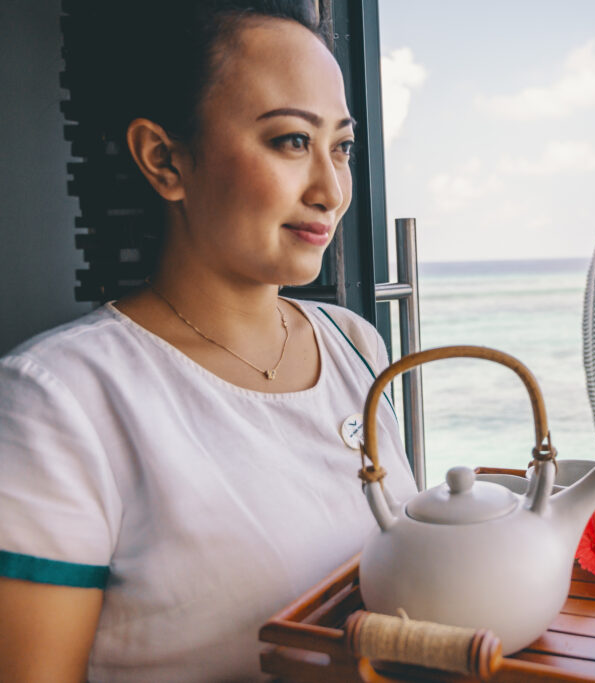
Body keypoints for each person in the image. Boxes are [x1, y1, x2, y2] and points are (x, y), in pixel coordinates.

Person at [0, 1, 417, 680]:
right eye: (290, 141)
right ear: (165, 159)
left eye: (340, 147)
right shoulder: (57, 400)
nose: (331, 189)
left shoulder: (356, 345)